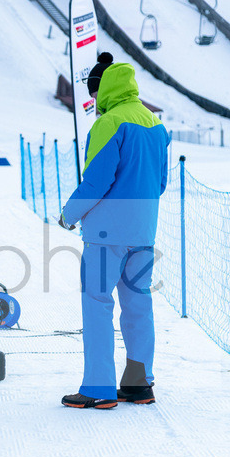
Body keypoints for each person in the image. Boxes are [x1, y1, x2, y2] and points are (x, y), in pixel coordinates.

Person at [58, 53, 169, 409]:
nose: (92, 100)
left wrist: (69, 214)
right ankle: (139, 382)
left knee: (97, 305)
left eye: (93, 92)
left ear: (102, 88)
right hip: (143, 232)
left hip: (106, 234)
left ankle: (98, 388)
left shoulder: (109, 123)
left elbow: (97, 181)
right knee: (139, 306)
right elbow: (162, 182)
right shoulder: (154, 123)